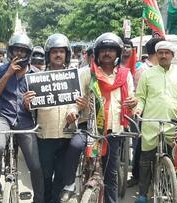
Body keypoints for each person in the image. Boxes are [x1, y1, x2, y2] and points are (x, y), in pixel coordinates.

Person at [70, 33, 136, 203]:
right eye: (104, 50)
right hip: (90, 129)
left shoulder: (125, 74)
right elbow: (76, 100)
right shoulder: (86, 73)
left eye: (111, 50)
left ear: (118, 53)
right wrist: (74, 110)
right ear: (97, 53)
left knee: (111, 174)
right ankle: (70, 185)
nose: (107, 53)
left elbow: (132, 101)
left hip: (113, 130)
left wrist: (133, 102)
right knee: (75, 146)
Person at [0, 33, 44, 203]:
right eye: (16, 51)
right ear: (10, 52)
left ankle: (40, 199)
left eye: (23, 51)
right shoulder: (0, 70)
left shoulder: (36, 74)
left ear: (28, 54)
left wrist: (30, 104)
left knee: (35, 164)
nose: (19, 55)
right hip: (3, 117)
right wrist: (8, 74)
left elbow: (41, 104)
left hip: (26, 120)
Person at [23, 33, 77, 203]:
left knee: (60, 176)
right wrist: (27, 102)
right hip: (44, 136)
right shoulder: (37, 79)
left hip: (66, 135)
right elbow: (31, 108)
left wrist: (76, 110)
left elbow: (78, 103)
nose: (58, 55)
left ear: (66, 55)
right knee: (45, 176)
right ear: (48, 55)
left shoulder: (73, 77)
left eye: (62, 51)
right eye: (54, 52)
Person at [134, 41, 177, 203]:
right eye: (160, 53)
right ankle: (142, 194)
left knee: (174, 159)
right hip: (151, 122)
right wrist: (137, 109)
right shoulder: (147, 74)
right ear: (157, 54)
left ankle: (171, 188)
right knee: (145, 160)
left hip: (174, 124)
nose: (163, 55)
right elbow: (141, 97)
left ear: (173, 55)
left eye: (167, 53)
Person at [127, 37, 165, 188]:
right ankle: (138, 178)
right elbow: (139, 96)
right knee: (142, 149)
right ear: (156, 51)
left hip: (163, 116)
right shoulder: (143, 70)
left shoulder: (166, 70)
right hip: (146, 117)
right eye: (161, 50)